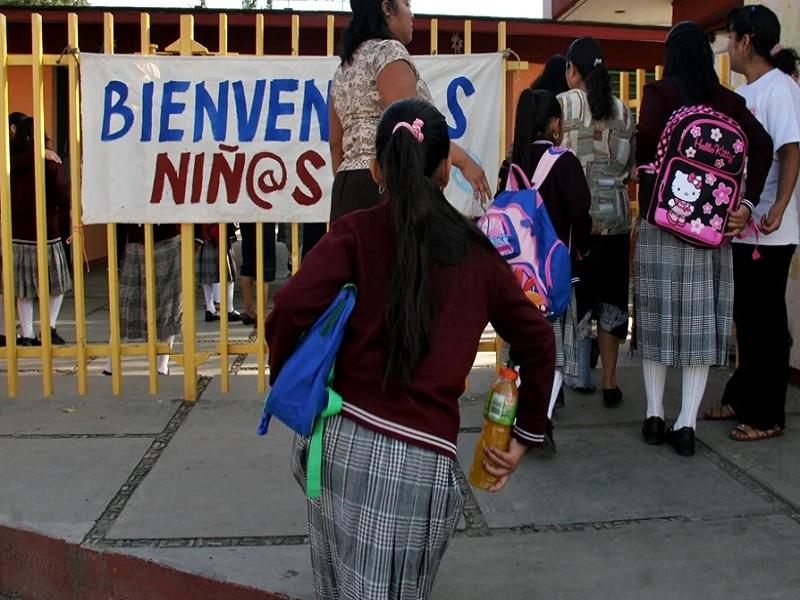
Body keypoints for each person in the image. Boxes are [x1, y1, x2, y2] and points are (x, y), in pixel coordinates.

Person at [266, 98, 555, 600]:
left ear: (377, 168)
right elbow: (539, 339)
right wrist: (524, 436)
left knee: (335, 586)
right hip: (419, 463)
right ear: (445, 169)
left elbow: (290, 306)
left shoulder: (355, 233)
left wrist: (284, 376)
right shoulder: (480, 256)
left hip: (336, 442)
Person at [635, 21, 772, 456]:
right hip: (711, 233)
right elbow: (764, 146)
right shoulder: (730, 101)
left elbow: (644, 153)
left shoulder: (659, 95)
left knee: (655, 318)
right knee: (698, 324)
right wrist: (746, 205)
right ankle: (686, 424)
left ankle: (654, 415)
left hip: (661, 224)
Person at [704, 5, 800, 442]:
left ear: (746, 42)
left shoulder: (779, 89)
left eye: (730, 38)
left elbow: (791, 150)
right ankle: (742, 397)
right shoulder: (745, 92)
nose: (726, 47)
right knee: (746, 317)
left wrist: (778, 205)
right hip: (741, 225)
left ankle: (767, 414)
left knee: (765, 321)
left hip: (770, 228)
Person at [319, 0, 489, 231]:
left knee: (354, 265)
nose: (412, 14)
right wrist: (465, 162)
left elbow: (335, 145)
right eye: (407, 4)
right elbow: (412, 124)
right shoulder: (387, 52)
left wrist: (352, 183)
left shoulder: (344, 67)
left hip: (346, 189)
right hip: (387, 183)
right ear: (387, 8)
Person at [500, 89, 592, 431]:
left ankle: (520, 407)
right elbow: (581, 212)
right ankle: (541, 416)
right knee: (553, 348)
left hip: (516, 275)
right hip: (553, 273)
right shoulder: (563, 161)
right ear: (554, 123)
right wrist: (582, 249)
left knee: (522, 344)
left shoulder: (512, 165)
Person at [558, 36, 636, 407]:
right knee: (611, 301)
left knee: (576, 299)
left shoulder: (565, 104)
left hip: (578, 223)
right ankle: (610, 381)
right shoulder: (624, 110)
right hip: (617, 221)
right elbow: (630, 166)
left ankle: (578, 374)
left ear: (572, 69)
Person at [7, 116, 71, 346]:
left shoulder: (10, 160)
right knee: (58, 284)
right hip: (47, 232)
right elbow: (62, 195)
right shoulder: (50, 161)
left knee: (23, 288)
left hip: (17, 233)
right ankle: (49, 327)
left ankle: (27, 334)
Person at [103, 224, 182, 376]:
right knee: (126, 303)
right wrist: (115, 257)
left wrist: (196, 238)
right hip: (135, 244)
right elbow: (118, 221)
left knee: (167, 303)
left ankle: (162, 365)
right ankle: (111, 364)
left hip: (166, 241)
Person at [195, 223, 241, 323]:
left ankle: (210, 309)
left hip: (203, 236)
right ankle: (229, 310)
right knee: (228, 274)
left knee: (206, 276)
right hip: (220, 235)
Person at [238, 222, 276, 326]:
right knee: (264, 265)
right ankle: (262, 314)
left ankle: (249, 310)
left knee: (247, 262)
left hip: (246, 216)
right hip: (265, 217)